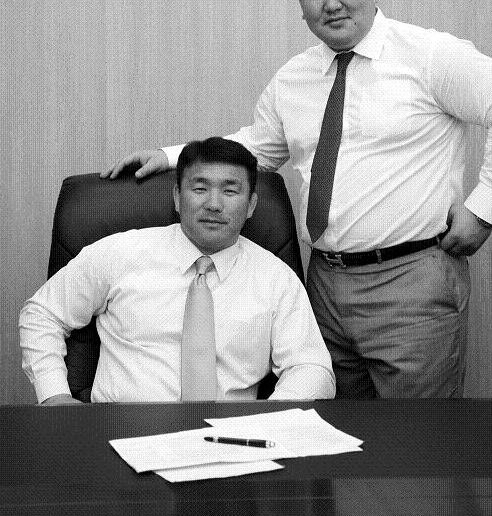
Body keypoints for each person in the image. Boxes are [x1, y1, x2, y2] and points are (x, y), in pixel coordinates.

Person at [101, 0, 492, 399]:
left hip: (411, 280)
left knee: (416, 435)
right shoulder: (294, 77)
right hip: (323, 284)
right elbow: (259, 148)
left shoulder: (429, 55)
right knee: (332, 428)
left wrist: (484, 209)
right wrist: (172, 156)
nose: (331, 3)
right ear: (301, 4)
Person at [20, 137, 336, 404]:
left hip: (231, 440)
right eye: (199, 189)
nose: (214, 204)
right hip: (124, 431)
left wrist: (268, 421)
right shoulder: (119, 253)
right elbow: (42, 313)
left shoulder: (275, 278)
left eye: (230, 191)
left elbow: (311, 367)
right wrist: (54, 395)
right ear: (176, 197)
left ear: (251, 205)